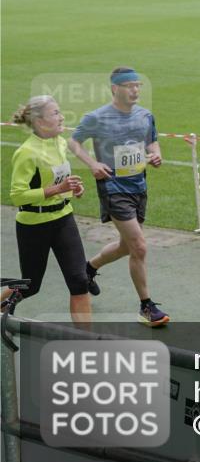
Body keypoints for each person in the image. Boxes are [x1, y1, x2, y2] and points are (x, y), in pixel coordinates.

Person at [67, 67, 168, 327]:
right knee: (140, 246)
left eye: (138, 85)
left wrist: (156, 154)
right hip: (113, 188)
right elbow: (74, 142)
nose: (135, 90)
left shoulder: (145, 115)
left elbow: (152, 141)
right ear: (115, 88)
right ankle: (146, 306)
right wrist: (92, 164)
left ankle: (89, 268)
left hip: (138, 186)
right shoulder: (96, 118)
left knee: (127, 247)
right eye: (129, 86)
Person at [5, 96, 91, 323]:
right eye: (55, 113)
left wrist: (72, 190)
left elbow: (57, 179)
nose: (61, 117)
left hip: (63, 218)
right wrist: (57, 189)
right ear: (41, 122)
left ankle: (87, 344)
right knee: (30, 285)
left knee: (80, 280)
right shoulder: (26, 153)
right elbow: (18, 195)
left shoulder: (60, 143)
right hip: (34, 225)